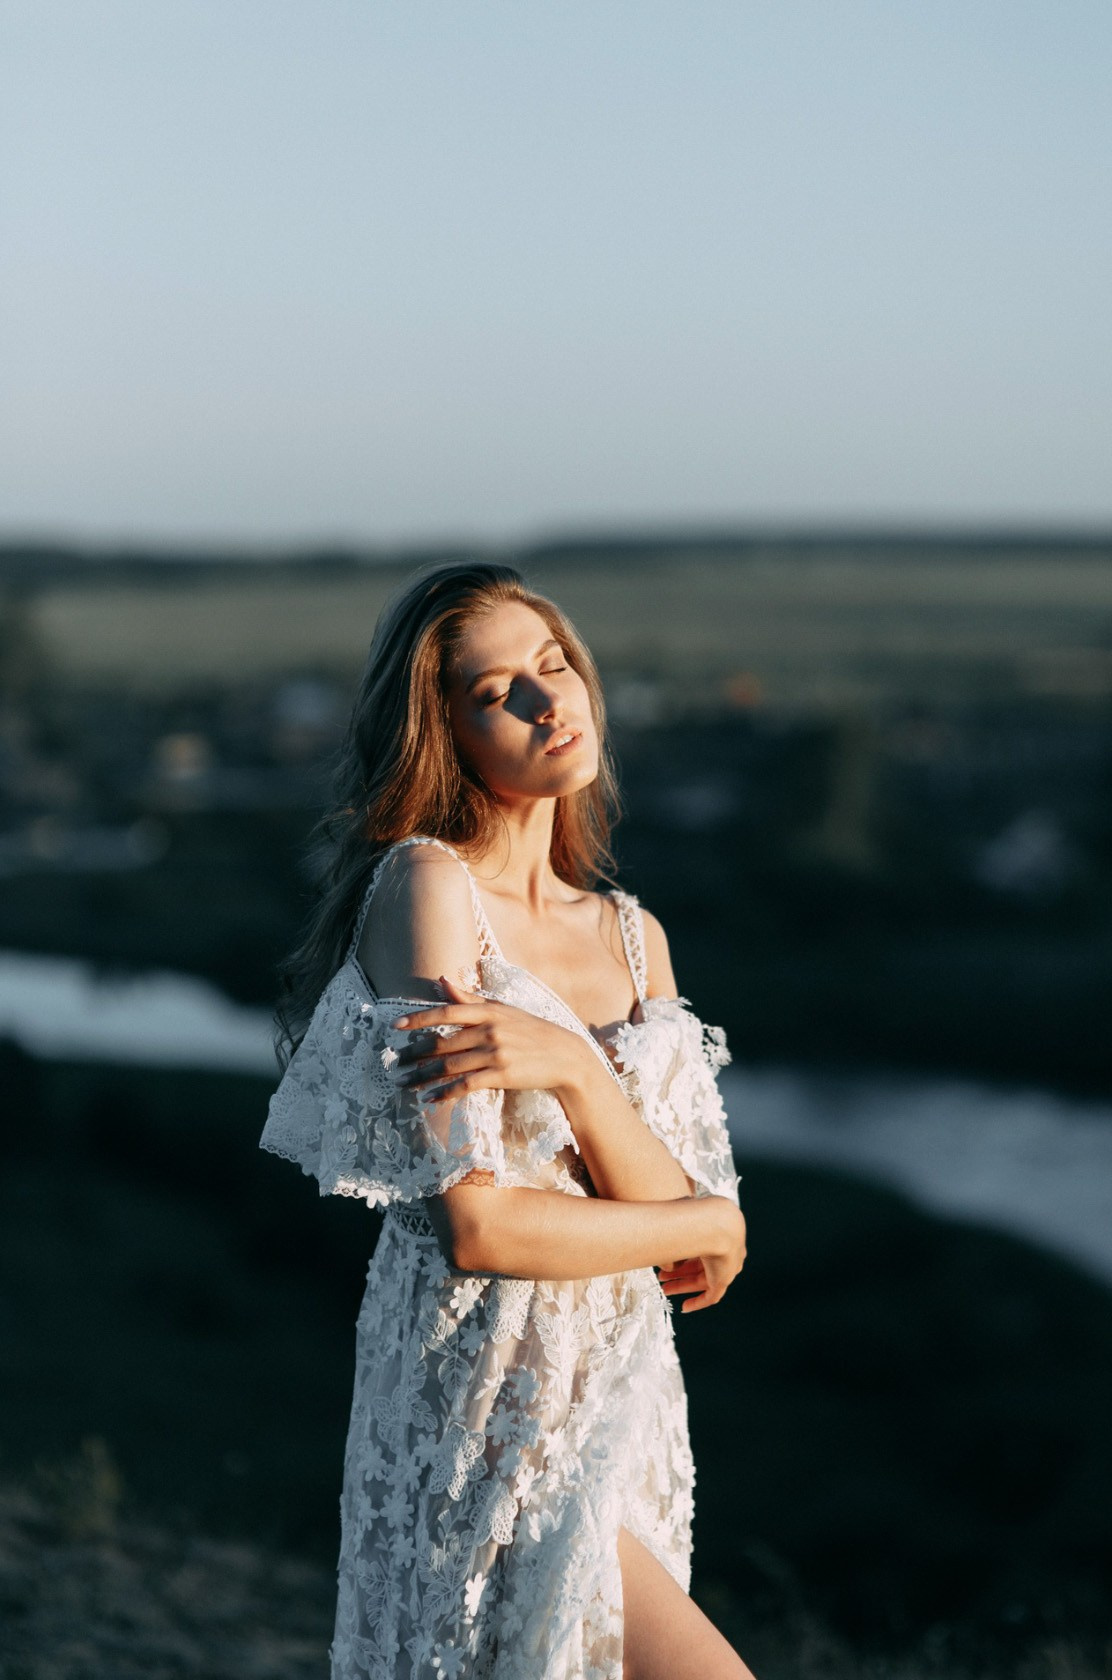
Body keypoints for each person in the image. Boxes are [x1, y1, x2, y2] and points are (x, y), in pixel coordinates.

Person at [261, 561, 753, 1680]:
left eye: (552, 665)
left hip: (624, 1405)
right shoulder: (426, 891)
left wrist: (580, 1079)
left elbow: (685, 1228)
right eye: (495, 693)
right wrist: (703, 1223)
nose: (546, 701)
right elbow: (476, 1230)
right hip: (487, 1415)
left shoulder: (634, 937)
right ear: (442, 734)